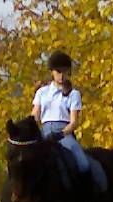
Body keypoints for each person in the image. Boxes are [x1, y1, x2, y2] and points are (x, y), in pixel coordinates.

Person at [31, 50, 91, 186]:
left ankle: (87, 199)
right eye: (58, 72)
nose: (61, 75)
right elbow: (35, 115)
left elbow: (74, 122)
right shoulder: (42, 92)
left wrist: (60, 134)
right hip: (43, 133)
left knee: (83, 164)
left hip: (64, 134)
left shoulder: (73, 94)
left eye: (65, 71)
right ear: (52, 72)